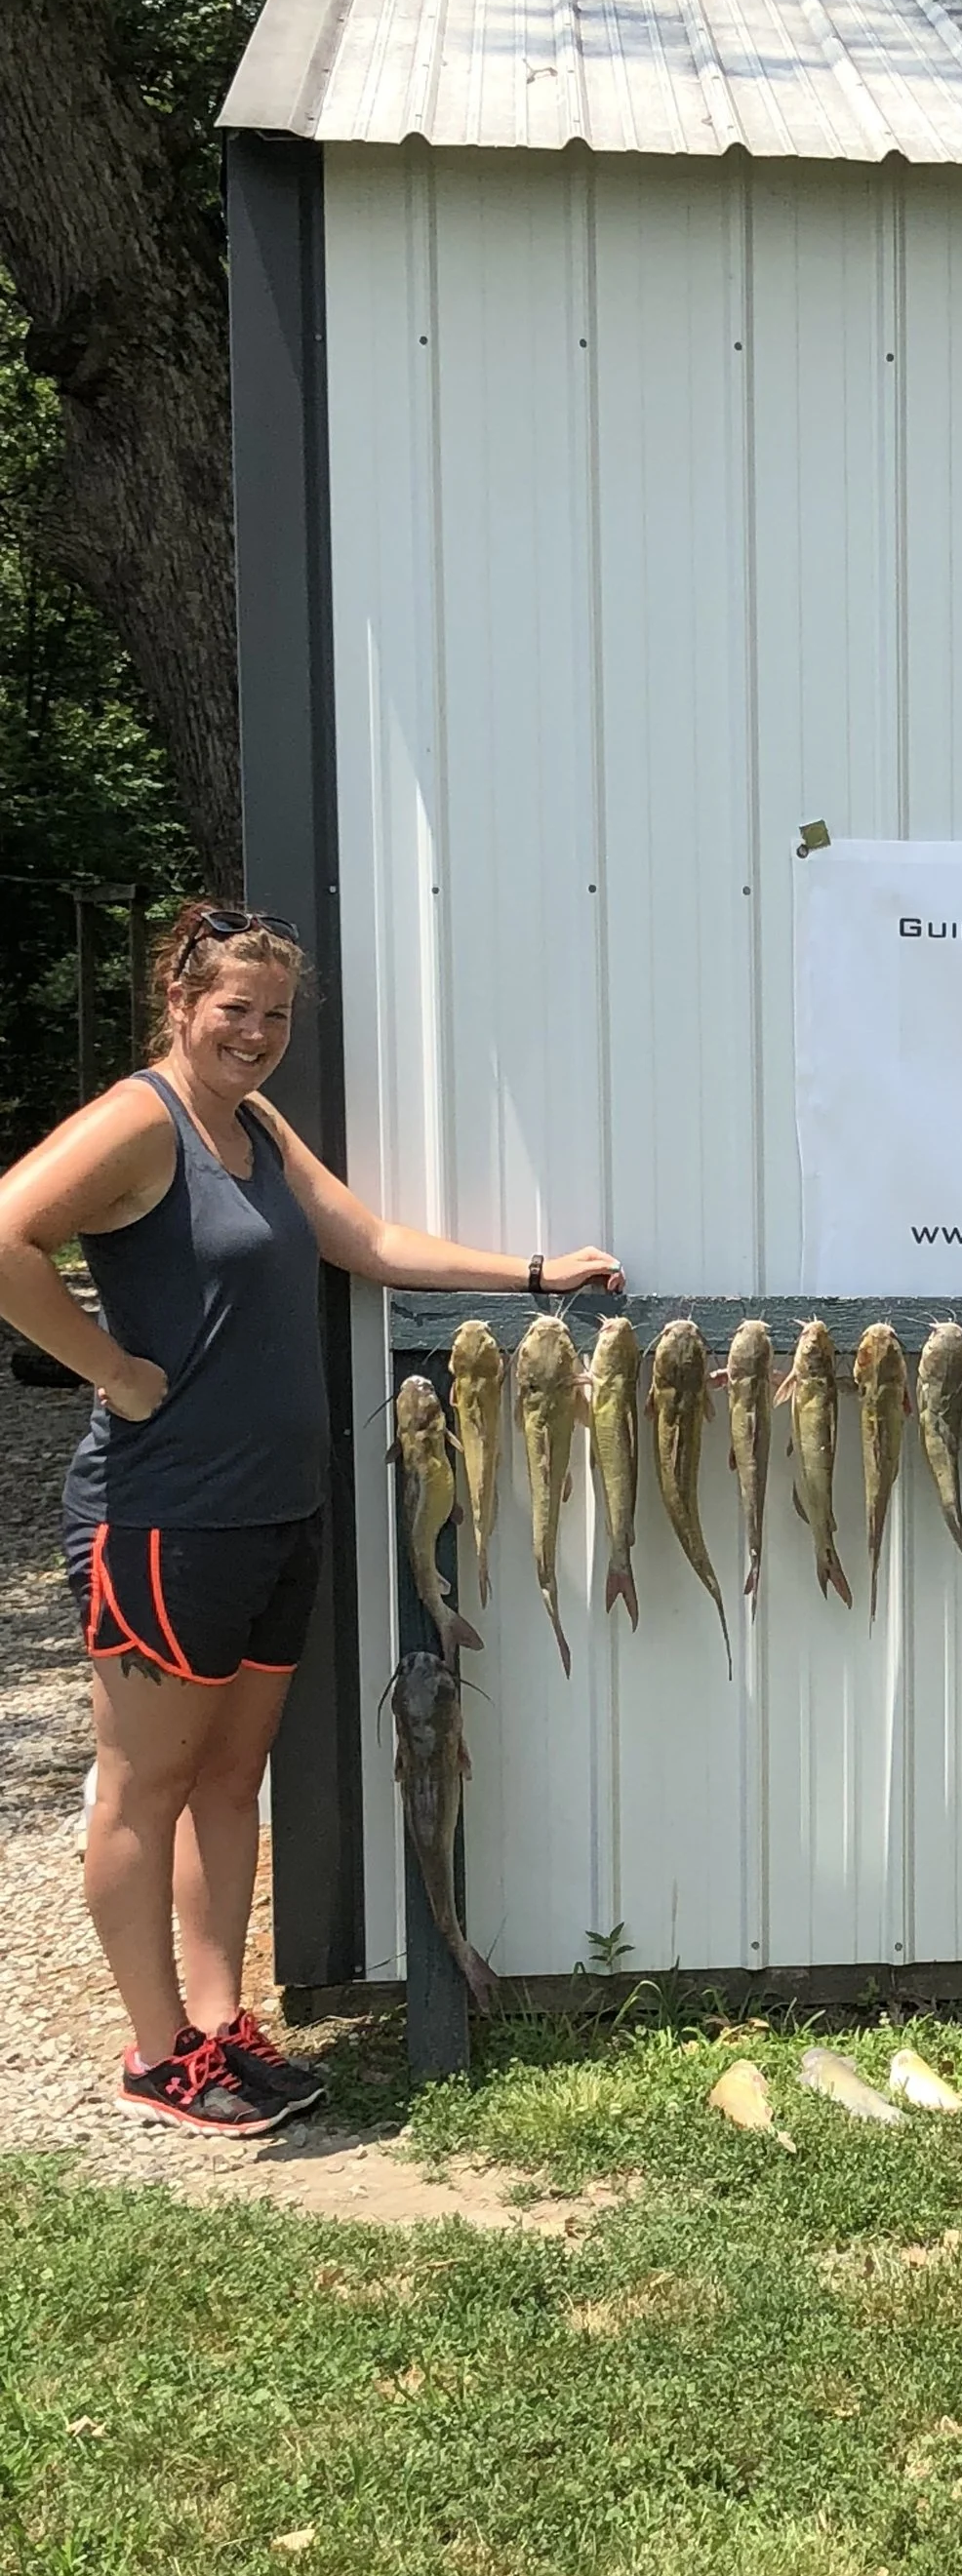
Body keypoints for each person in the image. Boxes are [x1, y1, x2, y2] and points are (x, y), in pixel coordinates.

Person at [0, 902, 623, 2137]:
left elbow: (371, 1242)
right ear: (180, 1001)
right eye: (236, 1008)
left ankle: (224, 2025)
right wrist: (111, 1371)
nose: (258, 1033)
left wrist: (539, 1276)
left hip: (276, 1511)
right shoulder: (141, 1119)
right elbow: (7, 1233)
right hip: (164, 1516)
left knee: (232, 1783)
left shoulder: (258, 1128)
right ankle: (155, 2050)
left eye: (277, 1014)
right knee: (143, 1788)